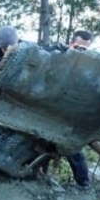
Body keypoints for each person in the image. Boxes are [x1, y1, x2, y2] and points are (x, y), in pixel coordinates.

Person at [40, 30, 94, 190]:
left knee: (72, 148)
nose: (81, 52)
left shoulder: (89, 67)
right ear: (71, 43)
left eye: (85, 49)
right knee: (42, 143)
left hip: (68, 113)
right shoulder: (56, 53)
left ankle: (83, 184)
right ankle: (40, 175)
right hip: (47, 107)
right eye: (78, 47)